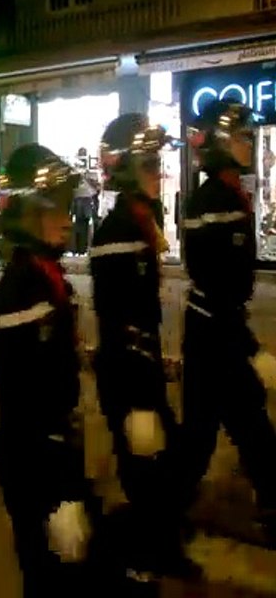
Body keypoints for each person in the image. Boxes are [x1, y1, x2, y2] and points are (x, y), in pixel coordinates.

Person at [0, 144, 98, 596]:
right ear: (27, 213)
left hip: (54, 456)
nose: (67, 217)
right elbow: (26, 404)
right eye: (54, 207)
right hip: (36, 465)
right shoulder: (18, 292)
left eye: (68, 205)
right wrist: (59, 490)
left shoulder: (46, 278)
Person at [89, 113, 199, 582]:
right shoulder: (117, 232)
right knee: (148, 472)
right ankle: (141, 562)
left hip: (143, 369)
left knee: (165, 466)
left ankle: (159, 544)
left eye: (159, 162)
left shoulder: (138, 223)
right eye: (150, 164)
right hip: (129, 376)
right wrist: (139, 398)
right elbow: (118, 316)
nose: (160, 172)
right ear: (129, 168)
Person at [181, 98, 276, 546]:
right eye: (241, 137)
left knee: (210, 429)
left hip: (216, 329)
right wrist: (246, 343)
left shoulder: (226, 191)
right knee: (245, 422)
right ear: (221, 143)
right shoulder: (214, 198)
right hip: (213, 332)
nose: (248, 143)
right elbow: (216, 278)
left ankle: (169, 505)